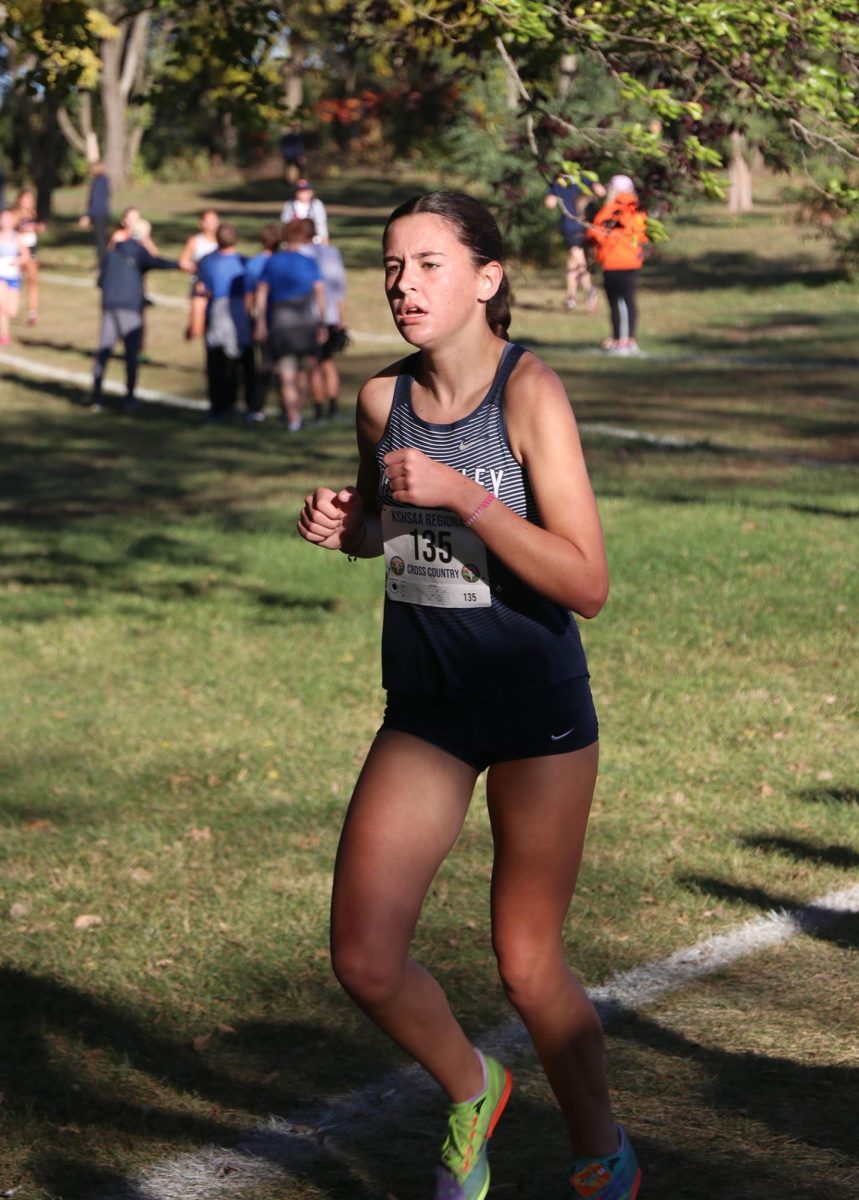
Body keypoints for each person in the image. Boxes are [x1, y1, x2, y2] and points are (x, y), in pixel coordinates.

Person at [296, 191, 641, 1200]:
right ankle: (472, 1085)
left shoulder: (529, 393)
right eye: (393, 265)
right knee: (364, 956)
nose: (405, 284)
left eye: (430, 263)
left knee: (528, 965)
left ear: (487, 279)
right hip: (428, 709)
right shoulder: (379, 400)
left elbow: (587, 583)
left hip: (535, 709)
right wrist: (342, 523)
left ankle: (599, 1152)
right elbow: (384, 527)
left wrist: (470, 497)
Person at [90, 207, 181, 411]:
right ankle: (129, 398)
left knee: (103, 351)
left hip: (109, 306)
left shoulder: (112, 251)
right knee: (131, 353)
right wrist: (179, 264)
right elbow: (157, 262)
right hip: (129, 307)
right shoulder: (139, 251)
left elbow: (101, 281)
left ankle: (96, 397)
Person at [254, 218, 326, 432]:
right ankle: (298, 411)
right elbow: (320, 293)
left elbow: (261, 292)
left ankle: (293, 418)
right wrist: (322, 322)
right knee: (303, 370)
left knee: (286, 373)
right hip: (304, 319)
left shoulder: (273, 261)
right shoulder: (309, 262)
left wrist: (260, 322)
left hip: (281, 320)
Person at [196, 221, 256, 421]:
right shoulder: (244, 262)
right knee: (244, 359)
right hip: (238, 310)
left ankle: (218, 406)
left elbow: (204, 288)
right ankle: (249, 405)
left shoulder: (207, 261)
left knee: (217, 360)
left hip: (218, 311)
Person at [586, 175, 648, 356]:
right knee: (629, 300)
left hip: (612, 262)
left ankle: (617, 341)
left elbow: (596, 233)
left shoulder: (609, 210)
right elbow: (643, 235)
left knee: (615, 303)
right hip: (632, 261)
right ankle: (630, 340)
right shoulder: (638, 211)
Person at [299, 217, 348, 421]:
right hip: (331, 315)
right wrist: (340, 318)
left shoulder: (300, 254)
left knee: (314, 364)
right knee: (328, 362)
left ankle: (319, 410)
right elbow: (340, 287)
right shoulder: (331, 252)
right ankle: (334, 407)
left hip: (310, 316)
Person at [243, 222, 283, 421]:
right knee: (284, 366)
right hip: (282, 320)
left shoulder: (253, 263)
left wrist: (249, 318)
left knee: (265, 366)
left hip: (261, 320)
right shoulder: (283, 262)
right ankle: (288, 409)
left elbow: (249, 296)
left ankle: (255, 408)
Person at [544, 173, 599, 313]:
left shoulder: (560, 181)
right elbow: (600, 191)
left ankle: (589, 290)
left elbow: (549, 204)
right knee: (572, 260)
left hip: (570, 225)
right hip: (586, 224)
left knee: (577, 256)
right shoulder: (584, 177)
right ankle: (571, 298)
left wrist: (553, 191)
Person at [178, 209, 219, 339]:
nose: (212, 224)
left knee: (213, 324)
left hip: (217, 286)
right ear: (201, 223)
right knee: (197, 330)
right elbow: (183, 261)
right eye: (208, 221)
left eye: (214, 220)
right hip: (199, 285)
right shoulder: (195, 240)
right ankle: (192, 329)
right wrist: (198, 269)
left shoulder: (222, 240)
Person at [13, 188, 45, 325]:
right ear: (19, 200)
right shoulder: (15, 215)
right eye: (26, 199)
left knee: (33, 280)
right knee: (15, 281)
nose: (28, 202)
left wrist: (39, 228)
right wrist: (21, 228)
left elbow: (40, 227)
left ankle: (32, 312)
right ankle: (10, 306)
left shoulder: (34, 214)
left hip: (32, 250)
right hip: (18, 251)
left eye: (31, 199)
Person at [0, 207, 31, 346]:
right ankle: (4, 335)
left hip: (13, 276)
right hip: (1, 276)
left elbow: (26, 256)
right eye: (3, 218)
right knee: (1, 305)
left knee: (11, 311)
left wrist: (17, 261)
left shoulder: (17, 237)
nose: (5, 221)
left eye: (8, 219)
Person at [79, 161, 111, 268]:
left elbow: (95, 200)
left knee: (100, 240)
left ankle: (102, 263)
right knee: (102, 238)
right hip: (104, 212)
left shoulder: (97, 182)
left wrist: (88, 215)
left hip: (98, 213)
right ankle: (104, 261)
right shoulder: (106, 181)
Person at [279, 179, 328, 244]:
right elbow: (285, 222)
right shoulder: (289, 205)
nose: (302, 193)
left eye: (304, 191)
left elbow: (321, 225)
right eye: (299, 191)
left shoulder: (317, 205)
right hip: (294, 238)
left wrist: (325, 241)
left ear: (311, 192)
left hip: (313, 239)